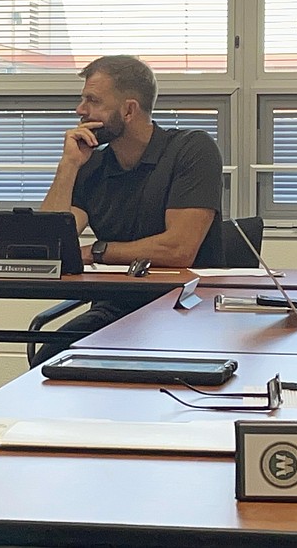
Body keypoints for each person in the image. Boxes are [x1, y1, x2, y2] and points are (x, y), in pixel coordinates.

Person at [31, 55, 224, 367]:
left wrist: (97, 250)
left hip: (184, 309)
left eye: (92, 101)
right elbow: (45, 245)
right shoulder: (92, 164)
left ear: (129, 110)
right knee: (49, 362)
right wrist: (68, 166)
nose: (80, 111)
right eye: (82, 100)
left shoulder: (192, 150)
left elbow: (178, 250)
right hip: (115, 308)